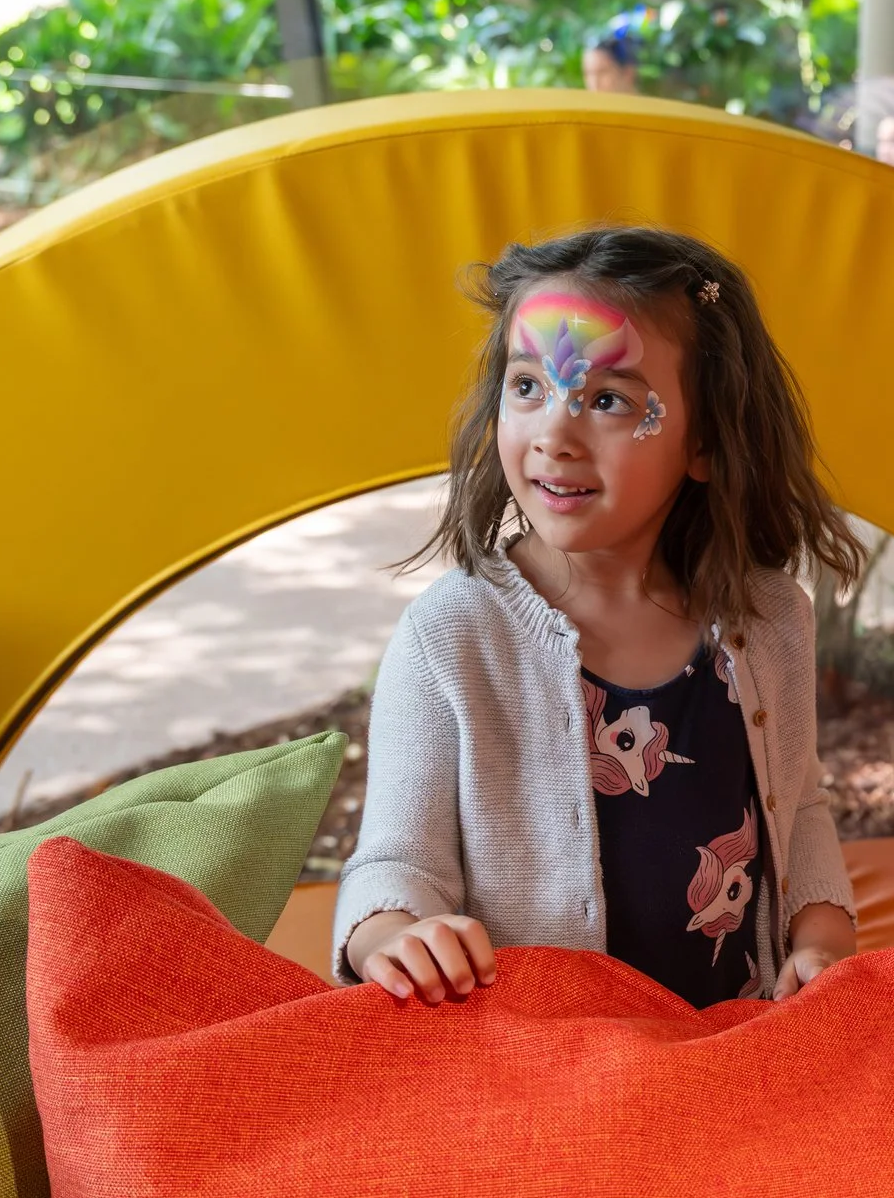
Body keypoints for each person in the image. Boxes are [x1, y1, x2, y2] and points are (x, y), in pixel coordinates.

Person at [335, 228, 867, 1009]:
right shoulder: (450, 638)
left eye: (609, 401)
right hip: (547, 1077)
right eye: (527, 388)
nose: (554, 433)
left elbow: (801, 810)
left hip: (732, 1047)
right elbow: (393, 860)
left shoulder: (771, 618)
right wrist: (394, 935)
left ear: (707, 440)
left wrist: (821, 943)